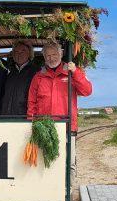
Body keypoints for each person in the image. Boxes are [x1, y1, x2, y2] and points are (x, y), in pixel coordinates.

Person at [26, 39, 93, 180]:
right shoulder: (38, 77)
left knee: (69, 163)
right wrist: (31, 123)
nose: (51, 58)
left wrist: (75, 72)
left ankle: (66, 193)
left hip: (67, 126)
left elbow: (87, 91)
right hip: (44, 127)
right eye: (48, 56)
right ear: (44, 58)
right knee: (46, 161)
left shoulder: (70, 73)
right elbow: (31, 103)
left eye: (54, 54)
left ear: (61, 54)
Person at [1, 40, 37, 116]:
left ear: (29, 53)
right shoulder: (9, 72)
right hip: (5, 116)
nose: (19, 54)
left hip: (24, 117)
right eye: (16, 52)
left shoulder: (35, 72)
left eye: (22, 51)